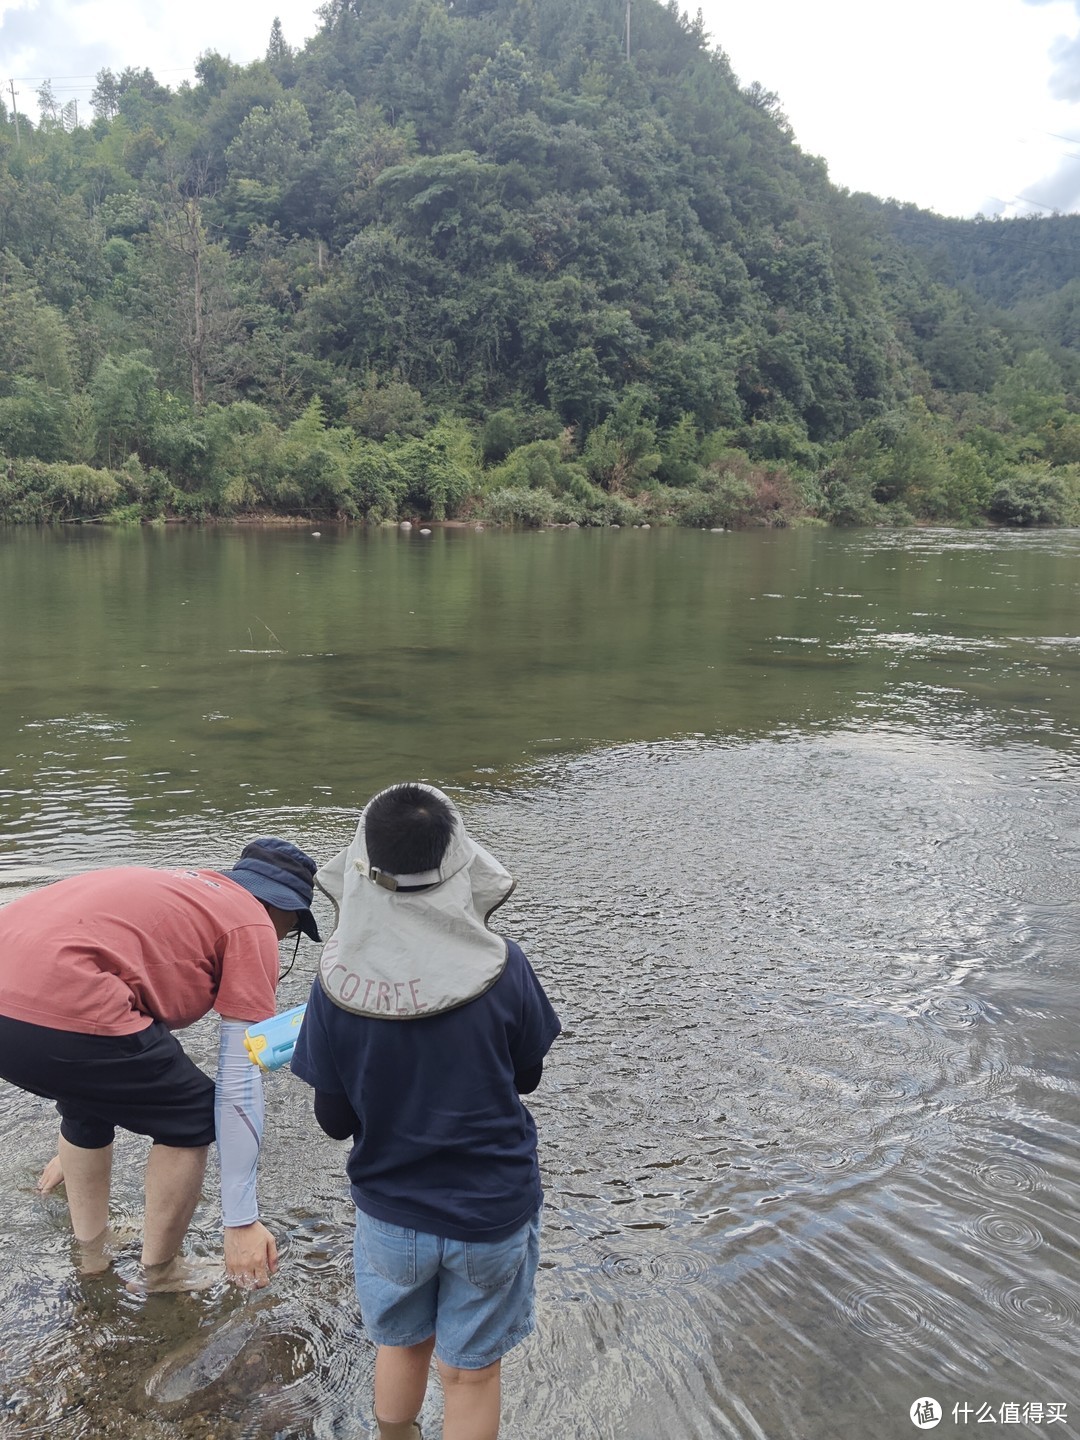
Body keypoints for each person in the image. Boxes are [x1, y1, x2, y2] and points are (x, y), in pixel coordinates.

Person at [291, 784, 561, 1440]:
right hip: (490, 1212)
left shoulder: (335, 981)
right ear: (457, 857)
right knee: (470, 1374)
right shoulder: (503, 967)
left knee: (401, 1345)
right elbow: (527, 1074)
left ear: (362, 863)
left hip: (391, 1215)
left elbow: (333, 1119)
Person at [0, 837, 322, 1292]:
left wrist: (72, 1147)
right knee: (194, 1111)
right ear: (283, 911)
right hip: (69, 1005)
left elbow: (122, 1042)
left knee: (91, 1101)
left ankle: (91, 1253)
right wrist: (241, 1219)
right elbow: (238, 1080)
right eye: (291, 929)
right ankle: (159, 1273)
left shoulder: (184, 891)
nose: (285, 938)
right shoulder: (252, 925)